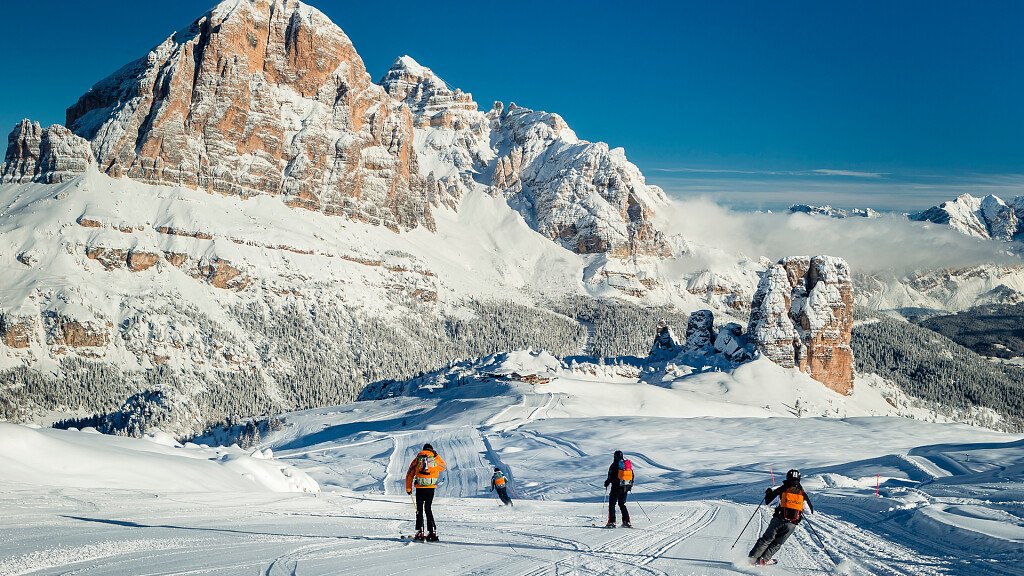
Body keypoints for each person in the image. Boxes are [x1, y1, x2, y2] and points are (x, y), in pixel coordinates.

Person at [748, 469, 814, 566]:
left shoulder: (782, 489)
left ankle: (752, 560)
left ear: (787, 477)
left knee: (766, 539)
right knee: (777, 543)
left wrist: (768, 493)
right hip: (791, 524)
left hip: (778, 519)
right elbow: (809, 512)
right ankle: (763, 560)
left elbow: (769, 503)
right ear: (799, 479)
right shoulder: (802, 494)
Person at [405, 443, 446, 541]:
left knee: (419, 509)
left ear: (423, 449)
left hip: (420, 488)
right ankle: (432, 531)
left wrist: (408, 489)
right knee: (428, 508)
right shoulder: (434, 459)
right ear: (431, 450)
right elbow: (443, 467)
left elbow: (409, 474)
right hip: (430, 488)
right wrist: (437, 455)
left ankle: (420, 531)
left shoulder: (417, 459)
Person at [603, 450, 633, 528]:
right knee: (622, 504)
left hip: (616, 488)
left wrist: (607, 482)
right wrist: (630, 486)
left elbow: (610, 476)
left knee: (612, 504)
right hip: (625, 488)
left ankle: (612, 522)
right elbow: (632, 476)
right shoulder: (627, 465)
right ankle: (626, 521)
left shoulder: (614, 465)